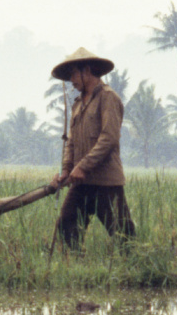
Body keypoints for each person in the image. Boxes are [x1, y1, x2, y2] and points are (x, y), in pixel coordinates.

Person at [48, 47, 135, 247]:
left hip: (106, 182)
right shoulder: (77, 104)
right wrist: (66, 170)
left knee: (123, 235)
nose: (71, 80)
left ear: (86, 70)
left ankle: (135, 271)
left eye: (73, 74)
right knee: (67, 226)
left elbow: (109, 137)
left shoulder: (108, 98)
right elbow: (71, 141)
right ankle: (76, 266)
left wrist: (83, 166)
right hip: (81, 182)